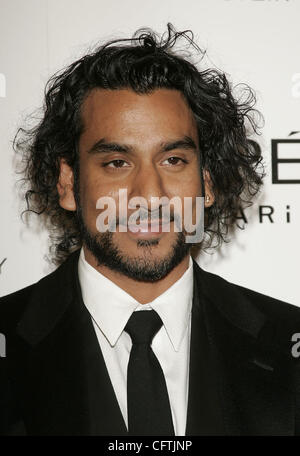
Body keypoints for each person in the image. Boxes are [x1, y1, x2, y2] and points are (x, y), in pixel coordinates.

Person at [1, 24, 300, 436]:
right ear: (68, 183)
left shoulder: (288, 344)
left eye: (173, 160)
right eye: (117, 163)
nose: (149, 195)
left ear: (207, 183)